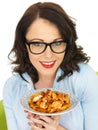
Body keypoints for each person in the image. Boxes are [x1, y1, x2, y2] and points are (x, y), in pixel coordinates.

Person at [3, 2, 98, 130]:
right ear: (25, 45)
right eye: (37, 44)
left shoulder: (85, 78)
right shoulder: (12, 88)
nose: (48, 55)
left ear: (67, 43)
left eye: (57, 43)